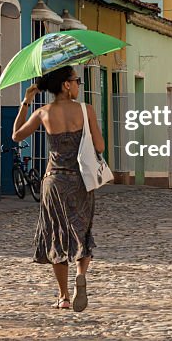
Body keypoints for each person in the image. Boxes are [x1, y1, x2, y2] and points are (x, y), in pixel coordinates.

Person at [12, 65, 105, 312]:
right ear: (66, 84)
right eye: (76, 81)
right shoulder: (86, 110)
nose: (77, 85)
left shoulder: (43, 112)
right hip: (80, 180)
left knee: (56, 234)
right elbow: (100, 145)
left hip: (53, 180)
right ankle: (81, 274)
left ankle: (63, 296)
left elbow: (16, 136)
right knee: (81, 230)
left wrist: (25, 102)